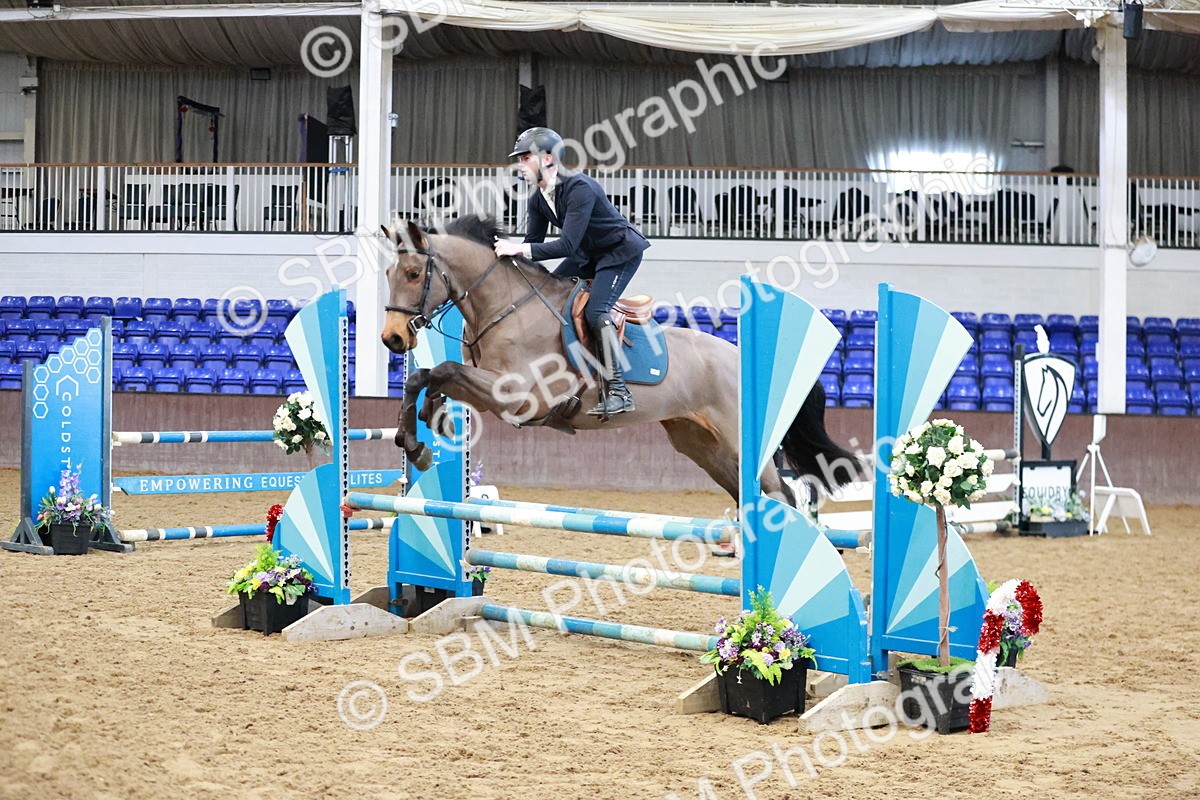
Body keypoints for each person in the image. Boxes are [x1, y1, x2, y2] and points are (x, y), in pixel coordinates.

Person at [494, 127, 650, 417]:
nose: (519, 165)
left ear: (549, 159)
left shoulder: (580, 188)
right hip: (588, 254)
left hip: (619, 252)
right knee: (548, 292)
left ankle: (619, 390)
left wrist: (516, 249)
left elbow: (566, 244)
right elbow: (532, 246)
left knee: (595, 311)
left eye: (525, 158)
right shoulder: (538, 199)